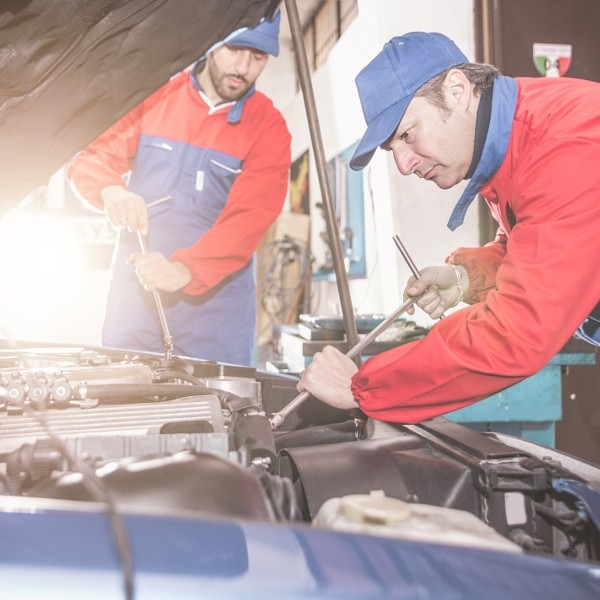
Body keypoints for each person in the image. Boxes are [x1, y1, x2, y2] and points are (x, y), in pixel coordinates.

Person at [297, 31, 600, 423]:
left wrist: (363, 387)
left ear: (457, 89)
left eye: (407, 135)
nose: (404, 165)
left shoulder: (562, 145)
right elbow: (548, 249)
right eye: (393, 150)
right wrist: (465, 277)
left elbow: (516, 335)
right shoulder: (513, 142)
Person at [67, 11, 291, 366]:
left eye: (258, 57)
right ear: (214, 41)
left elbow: (251, 217)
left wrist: (186, 269)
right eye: (236, 49)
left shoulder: (268, 127)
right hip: (136, 299)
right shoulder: (155, 95)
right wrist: (112, 191)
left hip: (215, 313)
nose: (244, 68)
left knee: (216, 412)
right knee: (126, 401)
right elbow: (92, 158)